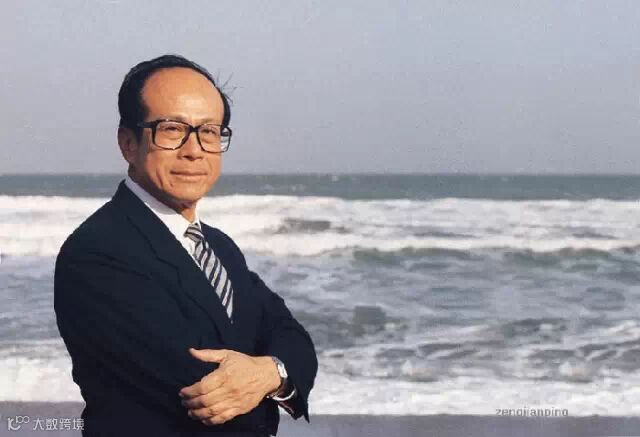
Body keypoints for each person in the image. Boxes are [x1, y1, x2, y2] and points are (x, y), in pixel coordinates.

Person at [54, 54, 318, 437]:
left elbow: (292, 336)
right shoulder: (97, 253)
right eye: (172, 129)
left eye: (209, 131)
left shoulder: (220, 247)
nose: (194, 149)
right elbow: (205, 393)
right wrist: (268, 374)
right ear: (128, 143)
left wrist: (269, 371)